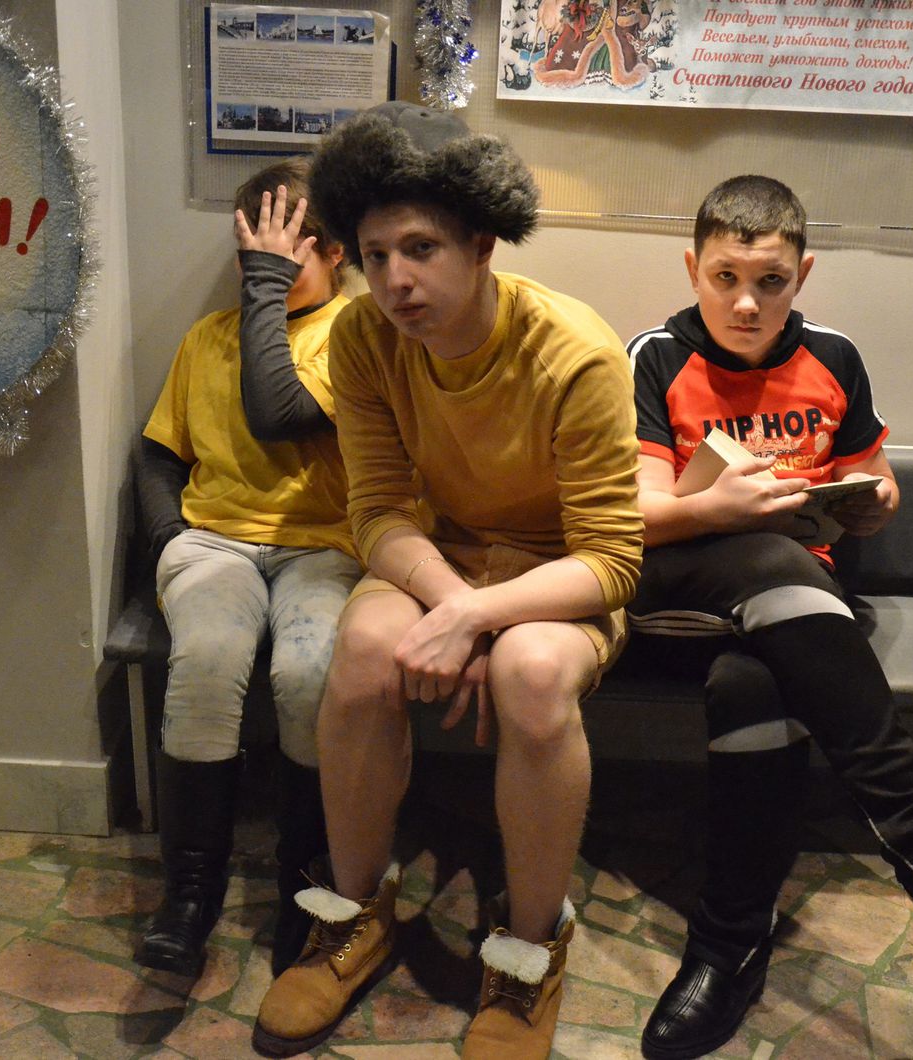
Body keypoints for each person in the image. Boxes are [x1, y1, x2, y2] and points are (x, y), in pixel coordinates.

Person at [624, 175, 913, 1059]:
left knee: (757, 687)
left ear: (801, 275)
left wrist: (876, 502)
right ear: (692, 269)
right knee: (766, 556)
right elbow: (638, 516)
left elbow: (875, 472)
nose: (745, 303)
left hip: (800, 610)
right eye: (724, 278)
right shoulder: (655, 356)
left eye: (770, 282)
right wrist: (723, 510)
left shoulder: (834, 355)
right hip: (684, 599)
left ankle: (728, 944)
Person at [252, 102, 643, 1060]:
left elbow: (611, 558)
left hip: (557, 572)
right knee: (364, 648)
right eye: (375, 254)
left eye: (421, 248)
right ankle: (353, 911)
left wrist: (480, 618)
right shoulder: (362, 338)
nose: (396, 279)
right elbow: (377, 512)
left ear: (480, 244)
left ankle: (530, 951)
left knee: (532, 675)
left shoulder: (576, 350)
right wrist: (454, 603)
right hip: (441, 554)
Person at [133, 158, 361, 979]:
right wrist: (169, 538)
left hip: (325, 545)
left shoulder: (360, 335)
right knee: (205, 660)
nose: (262, 270)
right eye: (249, 255)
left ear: (333, 252)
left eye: (285, 251)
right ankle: (190, 893)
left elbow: (279, 414)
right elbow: (158, 453)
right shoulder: (208, 339)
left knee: (309, 674)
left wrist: (266, 285)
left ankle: (305, 880)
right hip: (215, 542)